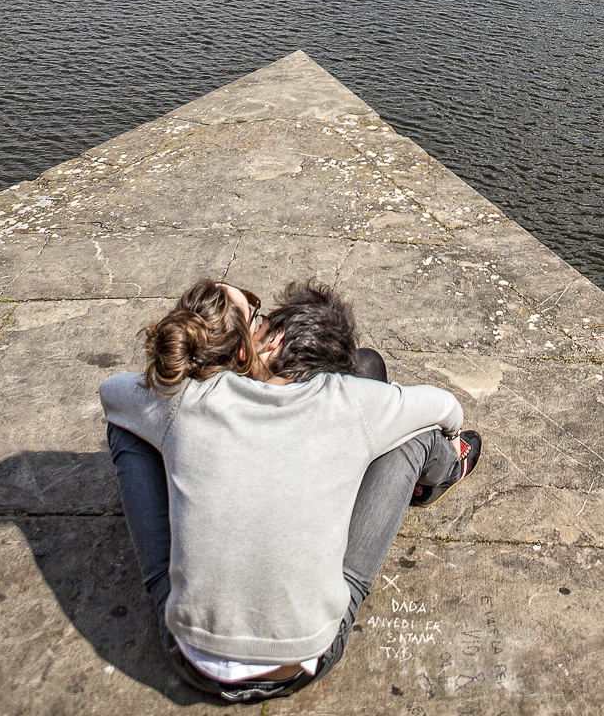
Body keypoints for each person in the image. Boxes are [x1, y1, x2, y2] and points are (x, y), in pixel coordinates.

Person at [100, 277, 481, 704]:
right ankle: (446, 470)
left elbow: (112, 393)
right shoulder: (351, 400)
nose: (259, 324)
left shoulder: (183, 399)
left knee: (127, 428)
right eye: (255, 317)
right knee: (416, 436)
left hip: (189, 651)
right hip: (305, 656)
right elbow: (446, 408)